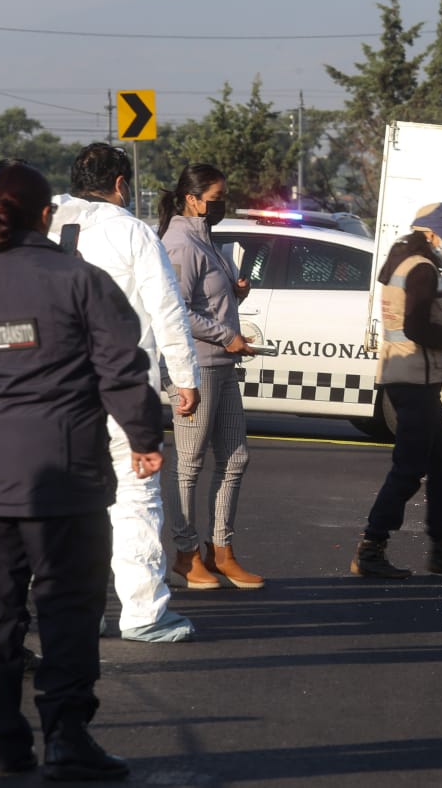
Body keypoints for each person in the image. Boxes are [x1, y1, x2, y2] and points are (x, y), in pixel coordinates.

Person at [0, 163, 163, 780]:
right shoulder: (80, 280)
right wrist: (144, 436)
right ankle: (68, 737)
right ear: (47, 215)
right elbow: (121, 368)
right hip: (65, 476)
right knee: (68, 608)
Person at [50, 143, 201, 642]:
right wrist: (186, 378)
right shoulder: (130, 230)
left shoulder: (45, 226)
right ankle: (143, 613)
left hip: (53, 392)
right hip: (118, 389)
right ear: (120, 184)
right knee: (135, 496)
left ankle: (78, 611)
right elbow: (167, 308)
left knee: (70, 505)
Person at [350, 202, 442, 579]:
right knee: (410, 468)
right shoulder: (422, 269)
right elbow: (416, 328)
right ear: (430, 235)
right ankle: (371, 547)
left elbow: (426, 316)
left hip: (412, 378)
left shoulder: (407, 262)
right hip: (411, 378)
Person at [157, 164, 261, 590]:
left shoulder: (205, 238)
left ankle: (221, 551)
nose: (220, 203)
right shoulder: (180, 242)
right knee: (190, 464)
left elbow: (205, 297)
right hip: (196, 366)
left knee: (235, 458)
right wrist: (226, 335)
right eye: (215, 197)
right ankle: (185, 553)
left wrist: (233, 292)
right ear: (192, 198)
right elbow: (176, 308)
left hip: (222, 365)